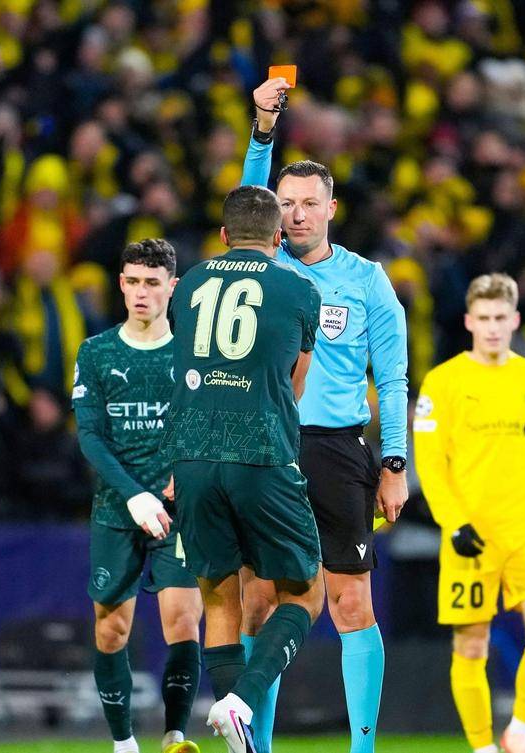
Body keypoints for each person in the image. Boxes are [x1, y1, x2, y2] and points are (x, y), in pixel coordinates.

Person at [238, 76, 410, 753]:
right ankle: (257, 746)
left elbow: (391, 377)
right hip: (267, 446)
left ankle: (362, 749)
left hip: (338, 450)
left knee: (351, 603)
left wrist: (394, 463)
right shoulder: (262, 268)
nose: (297, 214)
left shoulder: (367, 280)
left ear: (332, 208)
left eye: (310, 203)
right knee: (260, 602)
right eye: (286, 204)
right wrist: (263, 128)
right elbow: (246, 201)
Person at [167, 185, 324, 753]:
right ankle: (241, 700)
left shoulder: (188, 284)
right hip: (260, 453)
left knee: (218, 599)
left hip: (191, 455)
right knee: (306, 594)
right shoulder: (299, 289)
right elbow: (295, 384)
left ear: (223, 235)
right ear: (278, 236)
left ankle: (242, 741)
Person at [413, 273, 525, 753]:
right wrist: (454, 522)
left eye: (501, 318)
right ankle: (483, 748)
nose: (493, 327)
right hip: (471, 535)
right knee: (471, 646)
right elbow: (430, 464)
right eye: (485, 318)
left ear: (515, 320)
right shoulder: (443, 382)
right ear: (469, 321)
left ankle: (518, 729)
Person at [72, 238, 202, 753]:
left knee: (184, 620)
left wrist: (184, 475)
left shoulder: (193, 352)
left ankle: (174, 737)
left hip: (179, 511)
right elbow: (90, 437)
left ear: (173, 287)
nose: (141, 292)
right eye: (132, 281)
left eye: (152, 282)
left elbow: (206, 424)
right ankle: (124, 742)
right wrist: (133, 495)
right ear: (121, 285)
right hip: (116, 509)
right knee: (111, 629)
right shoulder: (97, 352)